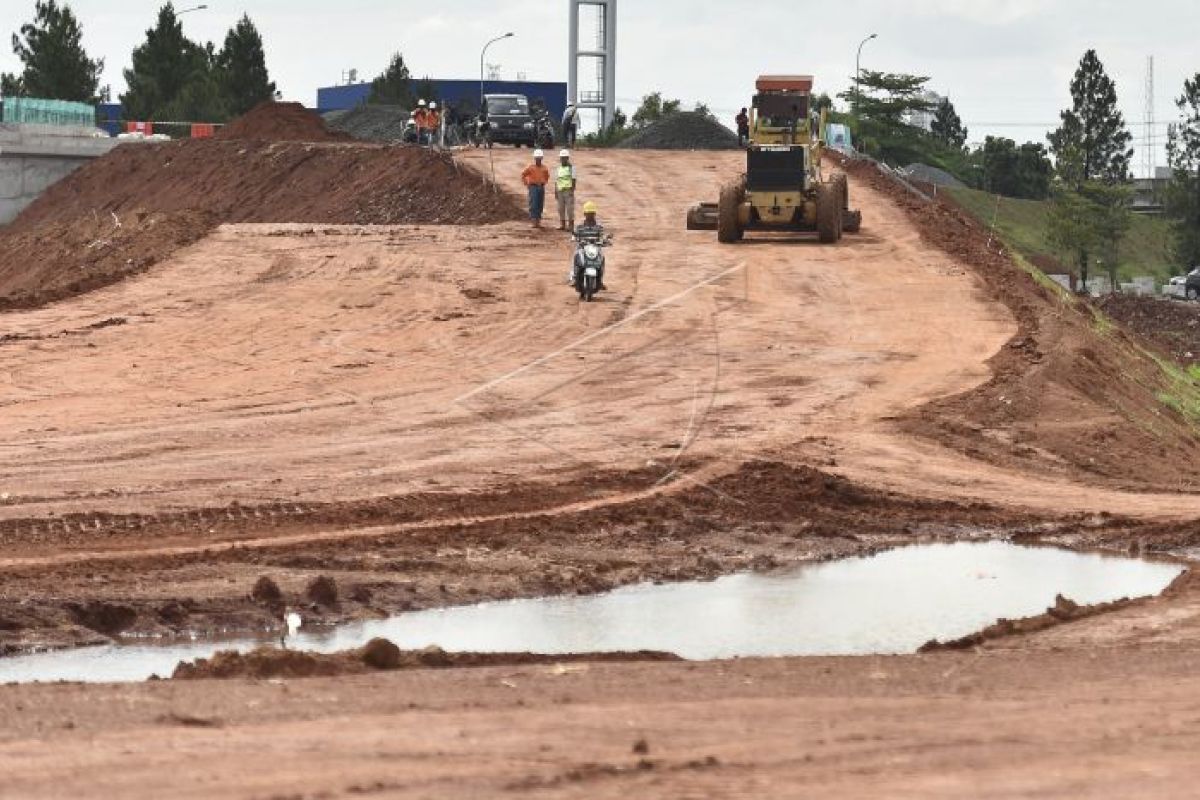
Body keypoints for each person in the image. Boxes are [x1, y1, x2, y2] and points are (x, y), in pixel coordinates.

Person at [570, 200, 607, 289]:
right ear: (584, 214)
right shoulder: (580, 227)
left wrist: (604, 241)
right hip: (582, 249)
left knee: (602, 259)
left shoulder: (599, 227)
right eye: (588, 213)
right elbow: (574, 235)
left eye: (591, 213)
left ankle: (600, 280)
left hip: (595, 249)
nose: (590, 215)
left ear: (594, 214)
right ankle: (575, 277)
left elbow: (603, 236)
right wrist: (574, 238)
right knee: (576, 257)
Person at [521, 149, 550, 228]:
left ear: (542, 158)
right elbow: (523, 175)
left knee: (540, 204)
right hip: (533, 187)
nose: (538, 159)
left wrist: (543, 183)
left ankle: (538, 222)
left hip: (541, 187)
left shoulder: (544, 168)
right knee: (533, 204)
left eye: (539, 158)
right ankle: (534, 222)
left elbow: (547, 177)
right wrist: (527, 184)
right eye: (537, 158)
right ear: (535, 158)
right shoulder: (531, 168)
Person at [555, 149, 577, 232]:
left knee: (569, 209)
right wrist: (556, 191)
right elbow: (556, 180)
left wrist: (572, 189)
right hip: (560, 190)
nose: (563, 159)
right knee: (560, 208)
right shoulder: (558, 168)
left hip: (568, 191)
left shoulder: (572, 168)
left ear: (567, 158)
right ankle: (562, 225)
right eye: (562, 158)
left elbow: (574, 179)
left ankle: (571, 226)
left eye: (564, 158)